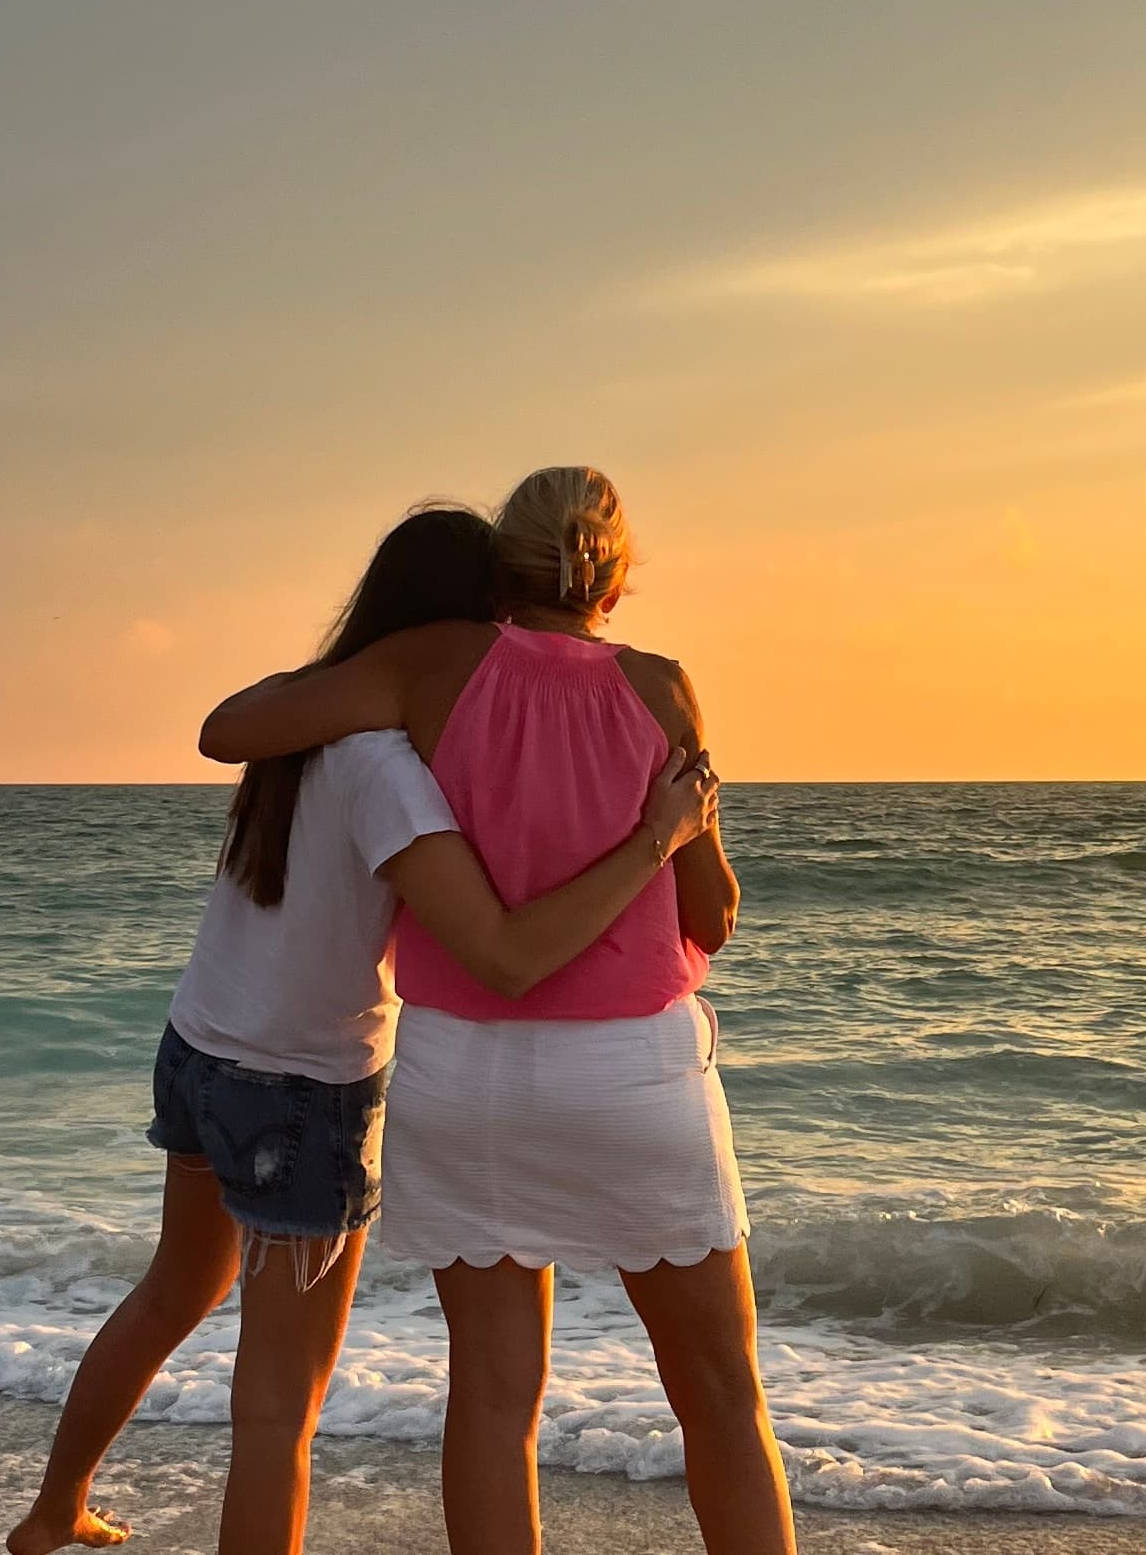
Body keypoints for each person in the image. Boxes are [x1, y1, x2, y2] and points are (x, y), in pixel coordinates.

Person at [6, 504, 721, 1555]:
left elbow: (227, 724)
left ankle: (54, 1505)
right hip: (303, 1092)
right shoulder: (388, 767)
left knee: (175, 1288)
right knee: (278, 1405)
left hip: (200, 1047)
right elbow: (500, 948)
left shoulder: (297, 731)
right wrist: (659, 837)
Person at [199, 467, 794, 1555]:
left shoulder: (424, 666)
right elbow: (713, 913)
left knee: (492, 1400)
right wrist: (666, 836)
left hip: (461, 1074)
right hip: (634, 1074)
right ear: (613, 580)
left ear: (501, 569)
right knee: (718, 1397)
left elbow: (235, 729)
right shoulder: (664, 687)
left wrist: (362, 670)